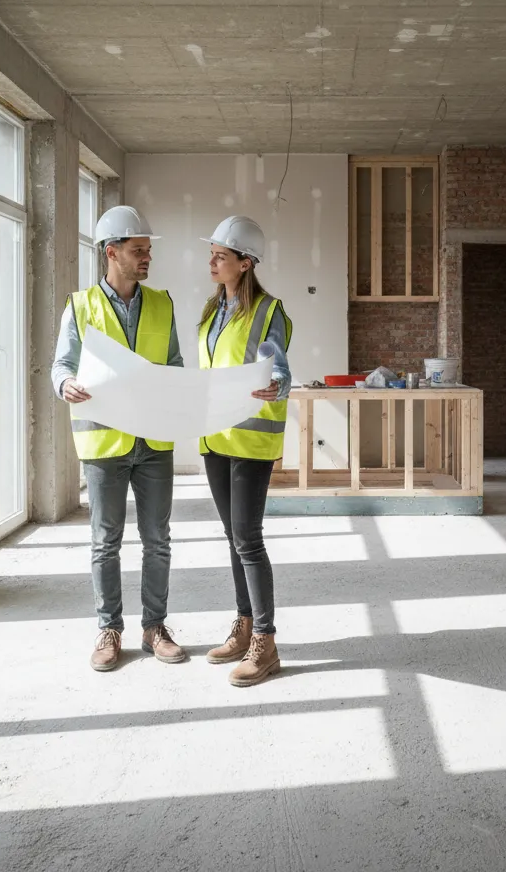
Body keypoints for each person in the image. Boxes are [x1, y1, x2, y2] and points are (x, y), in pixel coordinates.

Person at [51, 205, 187, 672]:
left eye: (148, 250)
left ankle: (155, 627)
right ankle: (109, 630)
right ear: (112, 252)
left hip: (153, 443)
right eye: (138, 250)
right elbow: (61, 366)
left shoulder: (163, 304)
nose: (147, 258)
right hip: (105, 445)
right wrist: (64, 385)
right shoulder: (80, 306)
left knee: (158, 540)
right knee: (105, 542)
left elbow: (174, 366)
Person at [197, 216, 292, 687]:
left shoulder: (268, 310)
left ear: (245, 262)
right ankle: (244, 624)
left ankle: (266, 642)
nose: (211, 261)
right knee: (233, 538)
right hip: (215, 440)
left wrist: (277, 384)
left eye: (220, 255)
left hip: (251, 441)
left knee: (248, 539)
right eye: (211, 253)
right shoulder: (213, 313)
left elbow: (279, 367)